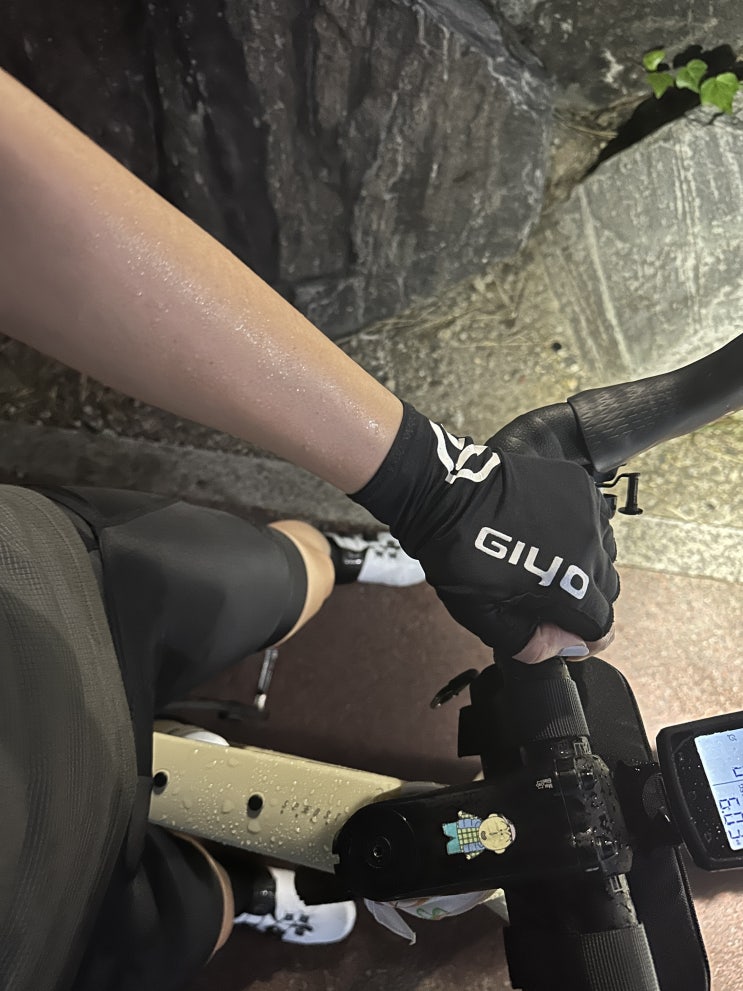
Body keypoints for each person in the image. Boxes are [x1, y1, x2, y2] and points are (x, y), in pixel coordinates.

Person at [0, 68, 618, 991]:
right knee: (199, 915)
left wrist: (431, 477)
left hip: (43, 592)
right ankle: (251, 887)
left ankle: (337, 554)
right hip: (47, 930)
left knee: (280, 572)